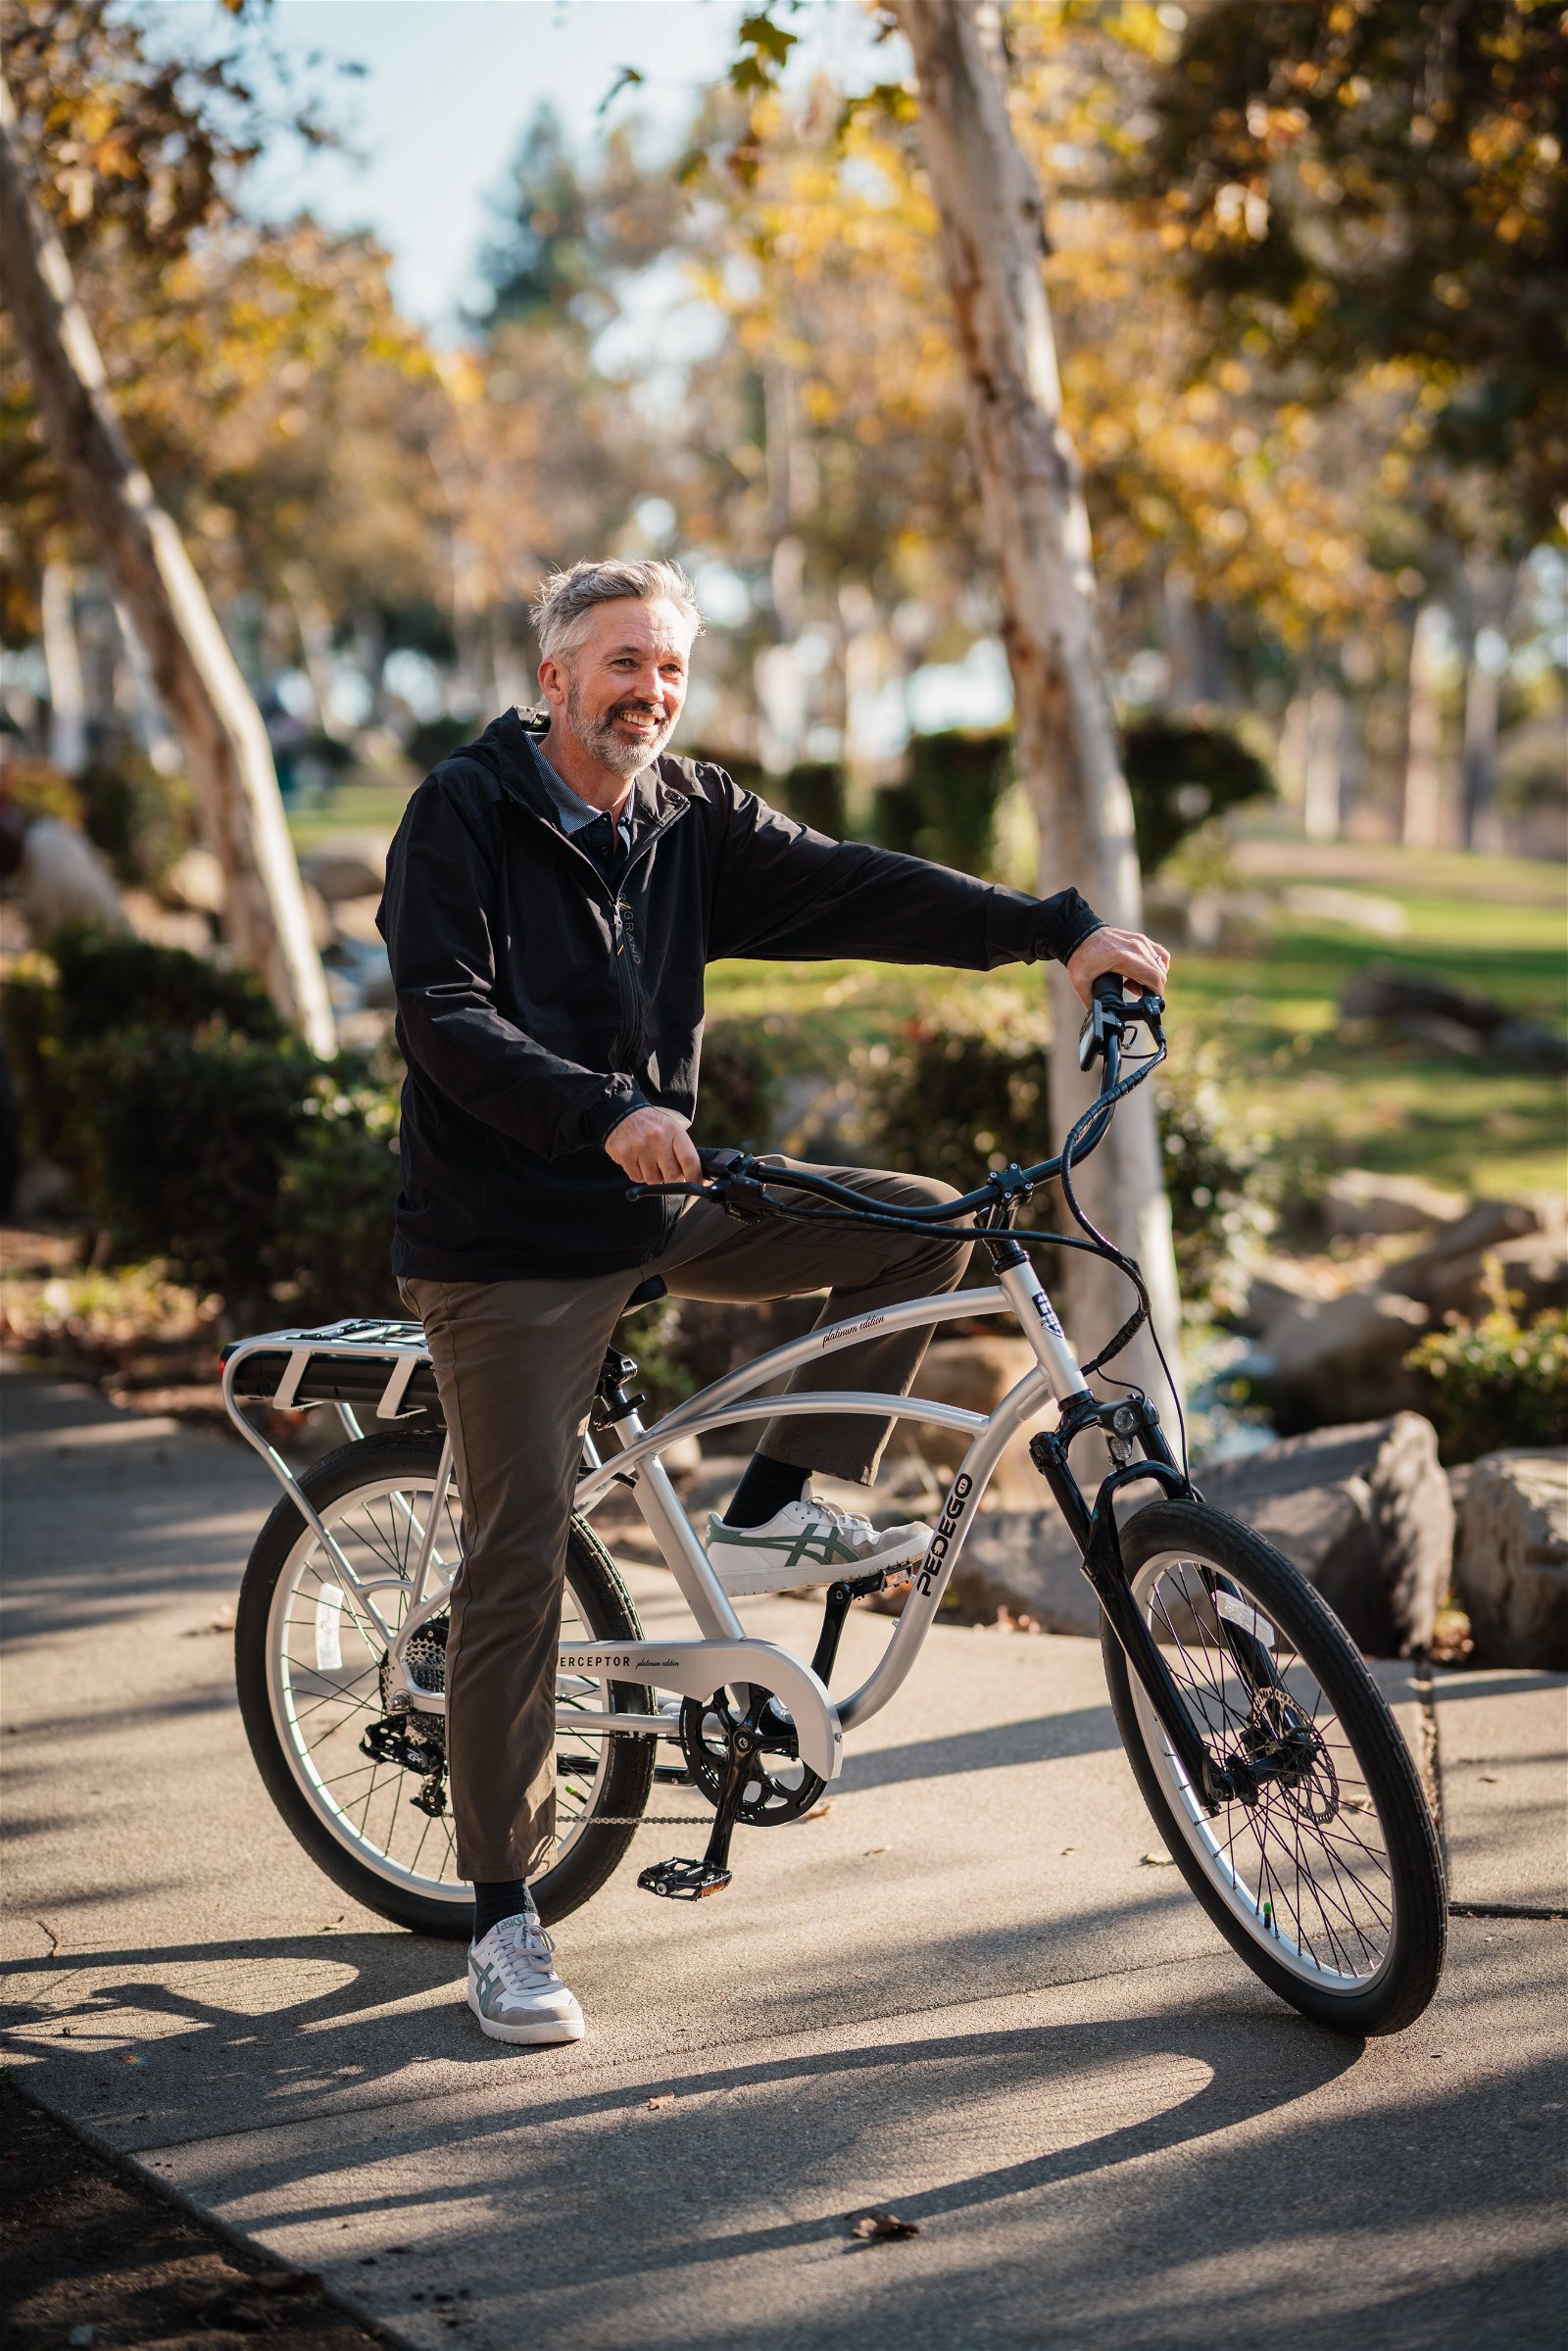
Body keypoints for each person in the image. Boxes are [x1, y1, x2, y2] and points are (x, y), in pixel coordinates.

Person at [377, 557, 1170, 2047]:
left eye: (668, 667)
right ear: (553, 678)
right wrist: (597, 1110)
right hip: (503, 1241)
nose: (650, 692)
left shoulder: (691, 817)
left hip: (656, 1198)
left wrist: (1057, 927)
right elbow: (444, 1015)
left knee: (924, 1227)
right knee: (516, 1558)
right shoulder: (463, 816)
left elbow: (859, 884)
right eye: (622, 663)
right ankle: (501, 1911)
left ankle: (773, 1501)